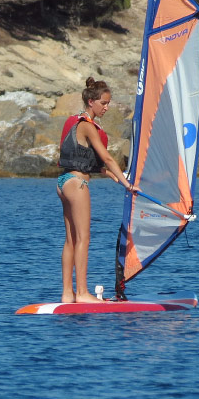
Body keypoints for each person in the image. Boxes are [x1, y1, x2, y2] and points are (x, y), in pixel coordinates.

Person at [56, 77, 138, 303]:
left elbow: (91, 164)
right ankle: (82, 293)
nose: (106, 107)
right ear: (91, 101)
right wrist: (127, 184)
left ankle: (67, 294)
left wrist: (114, 177)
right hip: (77, 185)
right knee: (84, 239)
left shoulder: (73, 121)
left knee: (70, 240)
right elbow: (107, 158)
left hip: (63, 183)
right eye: (103, 103)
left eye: (108, 103)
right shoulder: (88, 126)